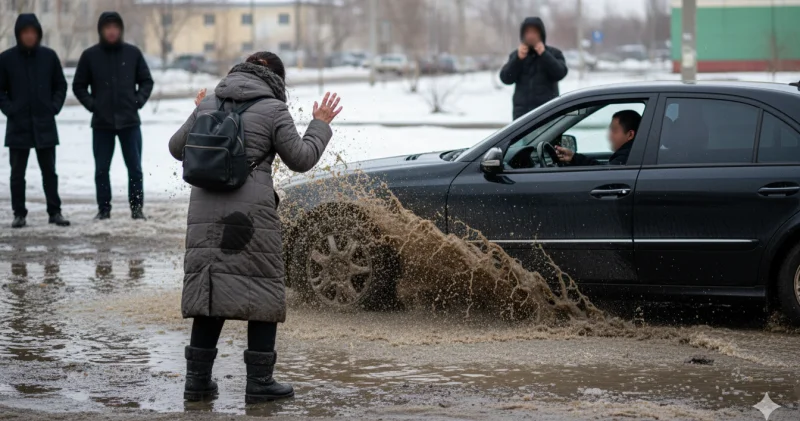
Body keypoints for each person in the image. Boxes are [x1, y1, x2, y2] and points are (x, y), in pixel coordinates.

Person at [168, 52, 342, 403]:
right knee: (261, 288)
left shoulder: (211, 101)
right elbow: (302, 159)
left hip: (204, 212)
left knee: (209, 290)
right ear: (277, 80)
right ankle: (259, 383)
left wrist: (199, 110)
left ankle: (197, 382)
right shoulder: (274, 109)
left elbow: (176, 148)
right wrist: (320, 123)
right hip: (249, 216)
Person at [73, 11, 154, 221]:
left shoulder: (132, 53)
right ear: (101, 30)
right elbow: (78, 85)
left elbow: (147, 81)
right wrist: (94, 105)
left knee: (135, 169)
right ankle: (104, 210)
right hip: (102, 124)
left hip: (129, 122)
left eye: (115, 27)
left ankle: (137, 210)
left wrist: (137, 102)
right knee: (101, 170)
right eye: (107, 27)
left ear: (120, 29)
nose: (111, 31)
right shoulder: (90, 56)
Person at [0, 14, 69, 229]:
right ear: (19, 35)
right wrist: (10, 109)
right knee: (17, 174)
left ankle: (54, 212)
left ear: (38, 33)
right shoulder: (6, 59)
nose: (29, 36)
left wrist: (53, 107)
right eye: (25, 32)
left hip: (44, 123)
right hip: (18, 125)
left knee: (49, 171)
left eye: (33, 32)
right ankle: (19, 214)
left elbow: (60, 85)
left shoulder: (49, 57)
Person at [500, 17, 568, 120]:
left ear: (541, 34)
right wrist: (517, 59)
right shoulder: (517, 55)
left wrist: (544, 54)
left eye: (534, 32)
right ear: (523, 35)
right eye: (528, 32)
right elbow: (506, 78)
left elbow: (560, 73)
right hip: (522, 115)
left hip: (547, 113)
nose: (531, 36)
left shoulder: (554, 53)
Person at [556, 110, 642, 166]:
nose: (609, 136)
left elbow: (604, 174)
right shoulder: (631, 155)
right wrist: (573, 157)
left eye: (614, 131)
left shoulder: (625, 158)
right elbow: (603, 169)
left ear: (630, 135)